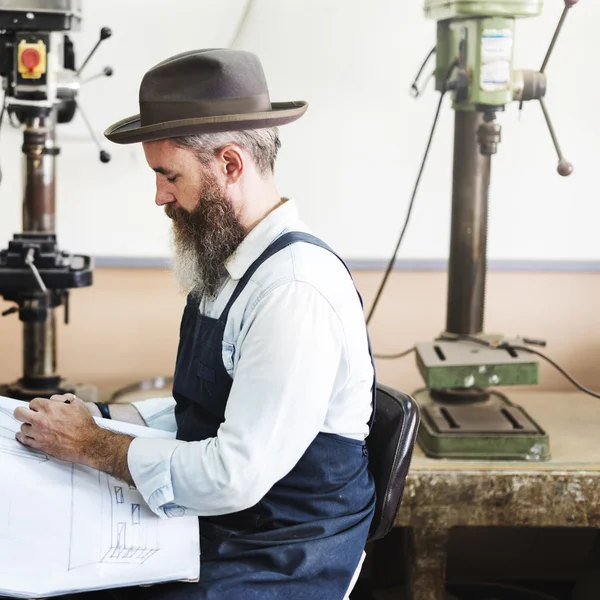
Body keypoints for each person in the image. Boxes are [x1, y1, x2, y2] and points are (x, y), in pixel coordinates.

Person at [13, 48, 376, 599]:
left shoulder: (293, 290)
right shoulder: (229, 264)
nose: (159, 195)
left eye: (168, 174)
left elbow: (234, 474)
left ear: (230, 164)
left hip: (283, 550)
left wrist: (94, 446)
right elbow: (209, 406)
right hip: (225, 525)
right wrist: (104, 416)